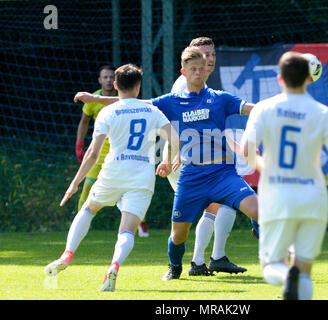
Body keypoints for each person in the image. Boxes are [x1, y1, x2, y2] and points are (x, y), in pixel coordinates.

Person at [74, 47, 259, 281]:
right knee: (178, 235)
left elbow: (254, 109)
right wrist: (98, 99)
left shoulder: (220, 98)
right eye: (193, 69)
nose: (198, 73)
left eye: (202, 69)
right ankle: (175, 267)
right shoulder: (173, 101)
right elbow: (135, 102)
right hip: (192, 177)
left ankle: (273, 255)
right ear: (184, 71)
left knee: (258, 210)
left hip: (223, 173)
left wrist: (281, 106)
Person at [44, 64, 180, 292]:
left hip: (113, 172)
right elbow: (175, 138)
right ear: (138, 86)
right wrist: (168, 159)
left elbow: (93, 153)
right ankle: (114, 265)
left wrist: (75, 183)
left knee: (88, 209)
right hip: (142, 176)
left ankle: (67, 255)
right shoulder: (152, 111)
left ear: (116, 85)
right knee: (127, 230)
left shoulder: (107, 111)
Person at [240, 51, 328, 300]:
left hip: (278, 195)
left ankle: (285, 275)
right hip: (314, 196)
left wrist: (264, 166)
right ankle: (294, 276)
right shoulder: (322, 112)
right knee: (304, 271)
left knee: (271, 268)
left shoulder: (264, 108)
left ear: (280, 78)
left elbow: (247, 151)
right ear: (308, 79)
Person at [167, 37, 251, 276]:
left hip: (199, 157)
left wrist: (233, 145)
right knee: (215, 205)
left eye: (212, 54)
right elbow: (176, 123)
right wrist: (175, 154)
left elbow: (209, 127)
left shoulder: (206, 85)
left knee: (223, 203)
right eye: (204, 54)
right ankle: (197, 261)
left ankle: (211, 258)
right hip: (183, 158)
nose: (209, 59)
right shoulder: (183, 84)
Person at [75, 64, 150, 237]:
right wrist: (79, 144)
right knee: (87, 187)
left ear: (116, 83)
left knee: (131, 189)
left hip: (121, 154)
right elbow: (84, 121)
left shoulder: (125, 99)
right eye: (105, 77)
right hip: (99, 153)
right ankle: (79, 226)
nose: (109, 80)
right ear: (100, 80)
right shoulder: (92, 101)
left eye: (111, 77)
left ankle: (141, 222)